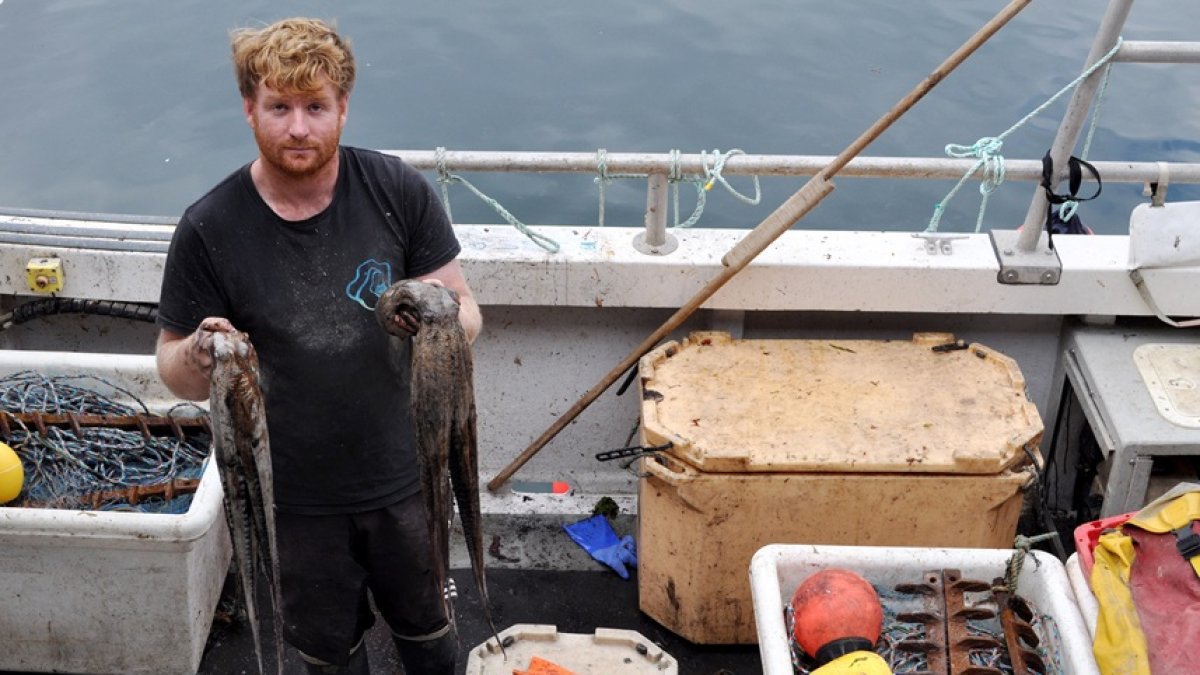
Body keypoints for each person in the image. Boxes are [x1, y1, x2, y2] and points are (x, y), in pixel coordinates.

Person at [155, 17, 481, 675]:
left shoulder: (396, 192)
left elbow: (469, 313)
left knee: (433, 641)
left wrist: (439, 311)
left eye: (315, 107)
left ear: (343, 109)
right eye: (279, 107)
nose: (298, 127)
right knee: (329, 657)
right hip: (290, 499)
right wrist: (201, 351)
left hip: (406, 477)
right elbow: (173, 370)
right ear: (250, 109)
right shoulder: (209, 227)